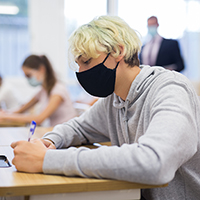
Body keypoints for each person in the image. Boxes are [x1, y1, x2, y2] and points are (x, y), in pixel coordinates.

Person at [11, 16, 200, 200]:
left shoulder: (170, 89)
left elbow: (156, 162)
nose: (81, 73)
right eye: (78, 65)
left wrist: (47, 160)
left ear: (119, 51)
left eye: (86, 62)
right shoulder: (115, 98)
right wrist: (49, 142)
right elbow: (78, 128)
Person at [0, 55, 76, 126]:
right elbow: (21, 110)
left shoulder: (58, 90)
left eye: (29, 75)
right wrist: (6, 113)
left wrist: (6, 116)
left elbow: (39, 119)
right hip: (55, 131)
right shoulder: (43, 91)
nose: (28, 79)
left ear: (42, 69)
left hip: (67, 134)